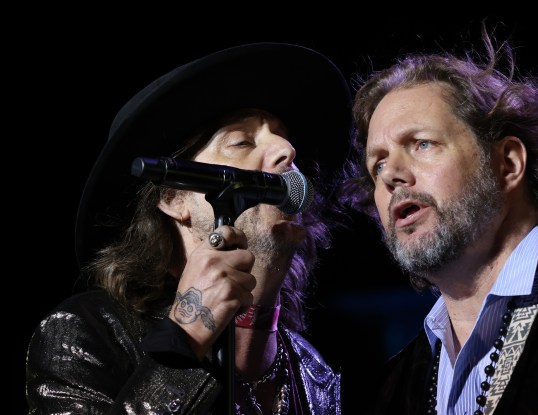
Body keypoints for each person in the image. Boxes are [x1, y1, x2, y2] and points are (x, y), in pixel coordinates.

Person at [26, 42, 352, 414]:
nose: (286, 150)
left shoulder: (314, 371)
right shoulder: (88, 334)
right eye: (242, 142)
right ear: (175, 199)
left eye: (284, 137)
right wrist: (186, 337)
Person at [337, 24, 538, 414]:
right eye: (377, 163)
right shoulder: (389, 390)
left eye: (421, 144)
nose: (389, 175)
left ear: (508, 162)